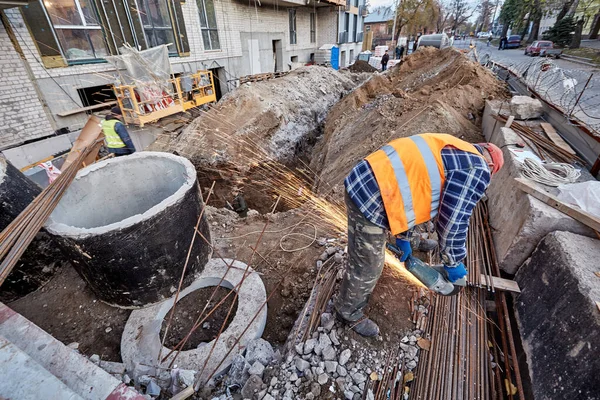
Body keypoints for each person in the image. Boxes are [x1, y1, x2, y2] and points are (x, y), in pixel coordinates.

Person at [334, 134, 504, 337]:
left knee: (405, 229)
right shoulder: (478, 170)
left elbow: (413, 189)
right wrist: (453, 262)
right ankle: (348, 312)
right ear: (491, 165)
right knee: (369, 265)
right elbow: (453, 222)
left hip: (372, 178)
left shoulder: (454, 147)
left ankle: (412, 241)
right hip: (369, 197)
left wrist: (403, 237)